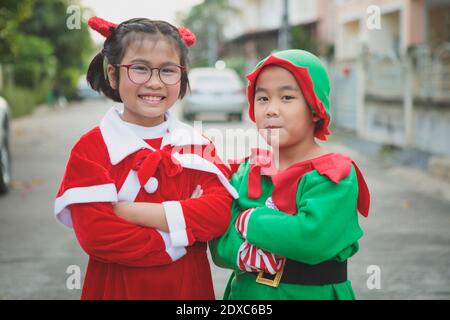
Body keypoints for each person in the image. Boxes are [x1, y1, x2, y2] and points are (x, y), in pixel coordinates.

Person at [54, 16, 237, 300]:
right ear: (113, 74)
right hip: (115, 290)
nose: (154, 83)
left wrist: (127, 212)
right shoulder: (91, 149)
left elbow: (216, 216)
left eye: (167, 71)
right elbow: (97, 234)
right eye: (139, 69)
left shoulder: (197, 144)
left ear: (182, 74)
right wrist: (178, 235)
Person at [209, 49, 371, 300]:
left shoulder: (334, 175)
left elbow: (310, 239)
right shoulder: (247, 170)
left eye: (286, 97)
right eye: (262, 99)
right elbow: (219, 241)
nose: (271, 110)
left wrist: (248, 220)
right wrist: (246, 250)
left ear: (316, 109)